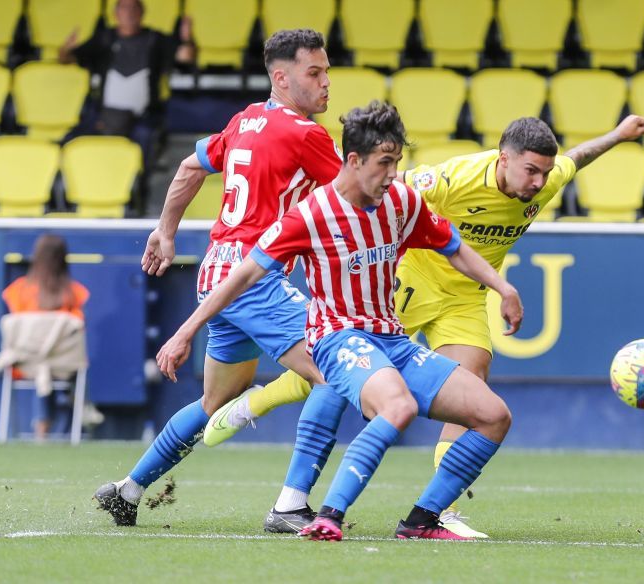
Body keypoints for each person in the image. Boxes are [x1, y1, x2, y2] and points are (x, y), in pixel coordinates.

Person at [215, 114, 644, 537]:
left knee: (475, 384)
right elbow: (387, 192)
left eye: (544, 173)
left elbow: (579, 156)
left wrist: (619, 133)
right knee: (334, 371)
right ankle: (260, 407)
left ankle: (442, 511)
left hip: (463, 298)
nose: (538, 182)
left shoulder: (545, 180)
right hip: (412, 282)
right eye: (531, 171)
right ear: (503, 158)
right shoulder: (456, 177)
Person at [156, 101, 524, 541]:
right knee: (398, 405)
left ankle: (421, 521)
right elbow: (244, 275)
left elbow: (453, 247)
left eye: (396, 163)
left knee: (493, 414)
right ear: (354, 160)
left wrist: (503, 288)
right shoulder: (311, 214)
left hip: (392, 339)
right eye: (384, 163)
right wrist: (185, 331)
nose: (392, 174)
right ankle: (328, 515)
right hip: (336, 339)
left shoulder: (402, 202)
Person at [93, 29, 348, 532]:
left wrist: (165, 232)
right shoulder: (307, 134)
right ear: (282, 77)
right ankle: (290, 505)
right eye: (314, 73)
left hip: (217, 274)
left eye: (325, 72)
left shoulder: (245, 120)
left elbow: (190, 167)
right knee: (337, 373)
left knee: (215, 401)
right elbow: (358, 195)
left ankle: (129, 489)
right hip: (256, 276)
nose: (325, 85)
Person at [58, 0, 195, 165]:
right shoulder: (104, 38)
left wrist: (187, 39)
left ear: (142, 13)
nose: (129, 13)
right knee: (70, 141)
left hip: (143, 117)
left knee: (143, 142)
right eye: (124, 8)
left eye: (133, 8)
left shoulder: (155, 39)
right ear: (115, 14)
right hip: (105, 115)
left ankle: (138, 186)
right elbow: (68, 59)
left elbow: (186, 57)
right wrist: (65, 50)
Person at [1, 234, 90, 441]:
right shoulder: (73, 292)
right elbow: (77, 327)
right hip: (63, 366)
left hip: (24, 363)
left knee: (43, 366)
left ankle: (41, 429)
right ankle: (77, 423)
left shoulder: (19, 290)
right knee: (60, 366)